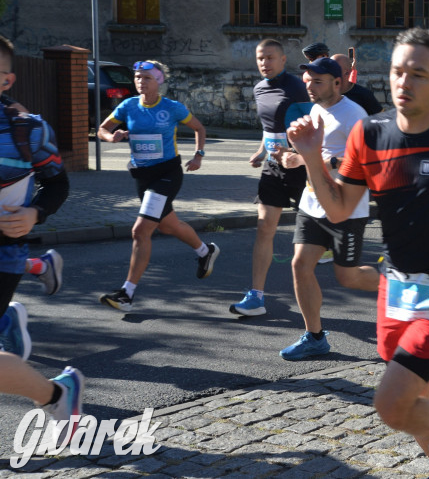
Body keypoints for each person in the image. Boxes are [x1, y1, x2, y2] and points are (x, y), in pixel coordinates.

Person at [288, 28, 429, 478]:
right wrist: (313, 158)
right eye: (397, 71)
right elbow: (338, 210)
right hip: (396, 288)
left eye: (417, 73)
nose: (404, 82)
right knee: (414, 399)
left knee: (391, 403)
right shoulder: (369, 135)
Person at [273, 57, 378, 360]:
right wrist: (294, 155)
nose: (310, 87)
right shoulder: (317, 109)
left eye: (317, 82)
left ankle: (403, 290)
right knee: (299, 264)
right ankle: (315, 336)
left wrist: (310, 160)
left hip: (346, 206)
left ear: (337, 82)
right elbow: (317, 151)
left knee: (349, 277)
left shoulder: (354, 115)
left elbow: (364, 163)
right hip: (312, 202)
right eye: (307, 81)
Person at [97, 61, 218, 311]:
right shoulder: (127, 106)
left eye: (147, 78)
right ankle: (205, 251)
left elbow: (199, 128)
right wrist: (112, 136)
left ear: (159, 81)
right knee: (168, 224)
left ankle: (126, 294)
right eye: (138, 78)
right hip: (142, 176)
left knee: (140, 231)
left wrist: (198, 155)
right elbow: (102, 129)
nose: (141, 82)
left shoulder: (172, 107)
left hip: (168, 173)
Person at [0, 34, 70, 356]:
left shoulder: (29, 130)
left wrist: (35, 214)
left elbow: (58, 184)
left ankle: (57, 394)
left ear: (6, 80)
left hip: (6, 251)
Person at [230, 39, 309, 316]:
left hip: (302, 167)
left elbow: (312, 126)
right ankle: (256, 296)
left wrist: (296, 153)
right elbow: (269, 127)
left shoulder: (297, 88)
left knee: (318, 232)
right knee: (264, 227)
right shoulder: (259, 88)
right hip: (273, 167)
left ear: (283, 59)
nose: (265, 63)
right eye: (260, 58)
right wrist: (261, 151)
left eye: (270, 58)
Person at [332, 52, 384, 117]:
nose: (329, 73)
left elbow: (381, 120)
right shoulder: (326, 94)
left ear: (347, 73)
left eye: (334, 69)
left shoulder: (364, 95)